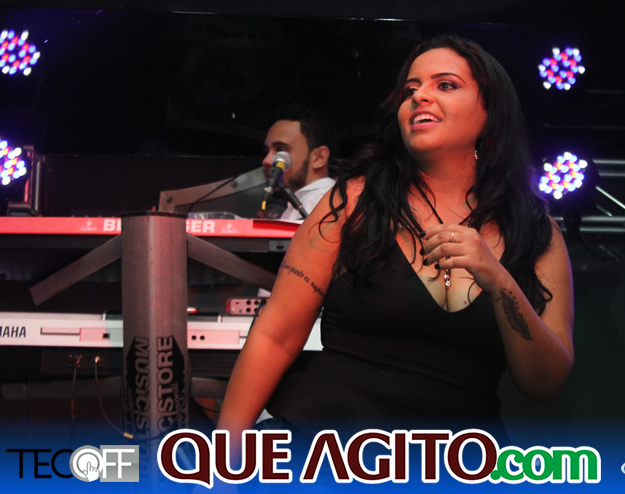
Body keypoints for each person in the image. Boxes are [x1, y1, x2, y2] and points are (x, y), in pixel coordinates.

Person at [219, 34, 574, 448]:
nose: (419, 96)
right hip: (324, 449)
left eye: (445, 84)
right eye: (410, 90)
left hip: (455, 462)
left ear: (490, 111)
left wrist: (499, 282)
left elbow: (544, 383)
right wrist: (225, 455)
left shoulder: (536, 233)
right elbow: (275, 334)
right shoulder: (354, 201)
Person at [260, 103, 338, 221]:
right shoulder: (308, 200)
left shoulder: (319, 199)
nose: (266, 160)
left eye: (281, 150)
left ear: (319, 158)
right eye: (267, 151)